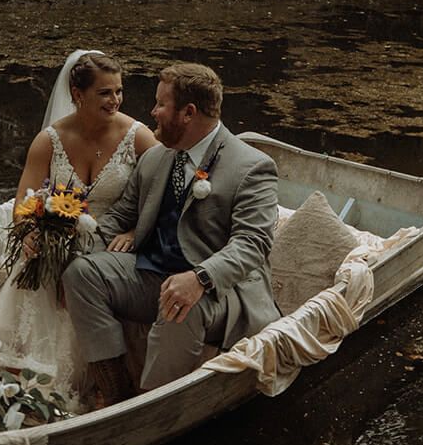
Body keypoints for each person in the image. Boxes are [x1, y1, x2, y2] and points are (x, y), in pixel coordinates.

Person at [0, 50, 157, 403]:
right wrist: (29, 234)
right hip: (58, 244)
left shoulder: (139, 137)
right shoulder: (49, 141)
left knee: (84, 282)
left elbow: (164, 194)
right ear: (77, 94)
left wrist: (134, 232)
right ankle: (33, 381)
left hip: (114, 251)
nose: (115, 100)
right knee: (38, 273)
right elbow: (24, 204)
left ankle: (103, 383)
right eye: (104, 92)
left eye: (118, 91)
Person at [62, 62, 281, 409]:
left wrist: (199, 277)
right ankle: (117, 390)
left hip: (220, 291)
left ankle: (149, 409)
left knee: (181, 305)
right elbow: (121, 214)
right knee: (80, 273)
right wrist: (79, 245)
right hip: (151, 273)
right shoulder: (155, 158)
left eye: (161, 104)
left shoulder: (251, 166)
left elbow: (252, 244)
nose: (153, 112)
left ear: (188, 113)